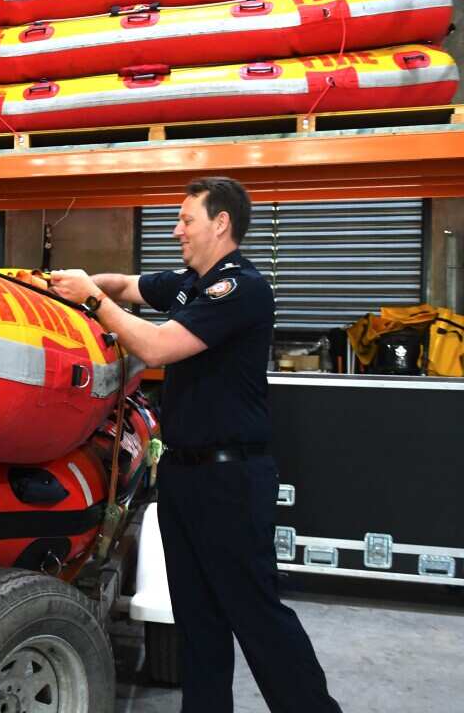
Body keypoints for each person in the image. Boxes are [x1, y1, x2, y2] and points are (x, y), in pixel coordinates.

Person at [49, 177, 342, 713]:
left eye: (186, 220)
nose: (175, 230)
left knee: (256, 617)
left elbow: (159, 345)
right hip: (184, 478)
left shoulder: (240, 290)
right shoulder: (190, 284)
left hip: (230, 482)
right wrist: (75, 282)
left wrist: (91, 298)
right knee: (197, 624)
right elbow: (126, 284)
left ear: (220, 223)